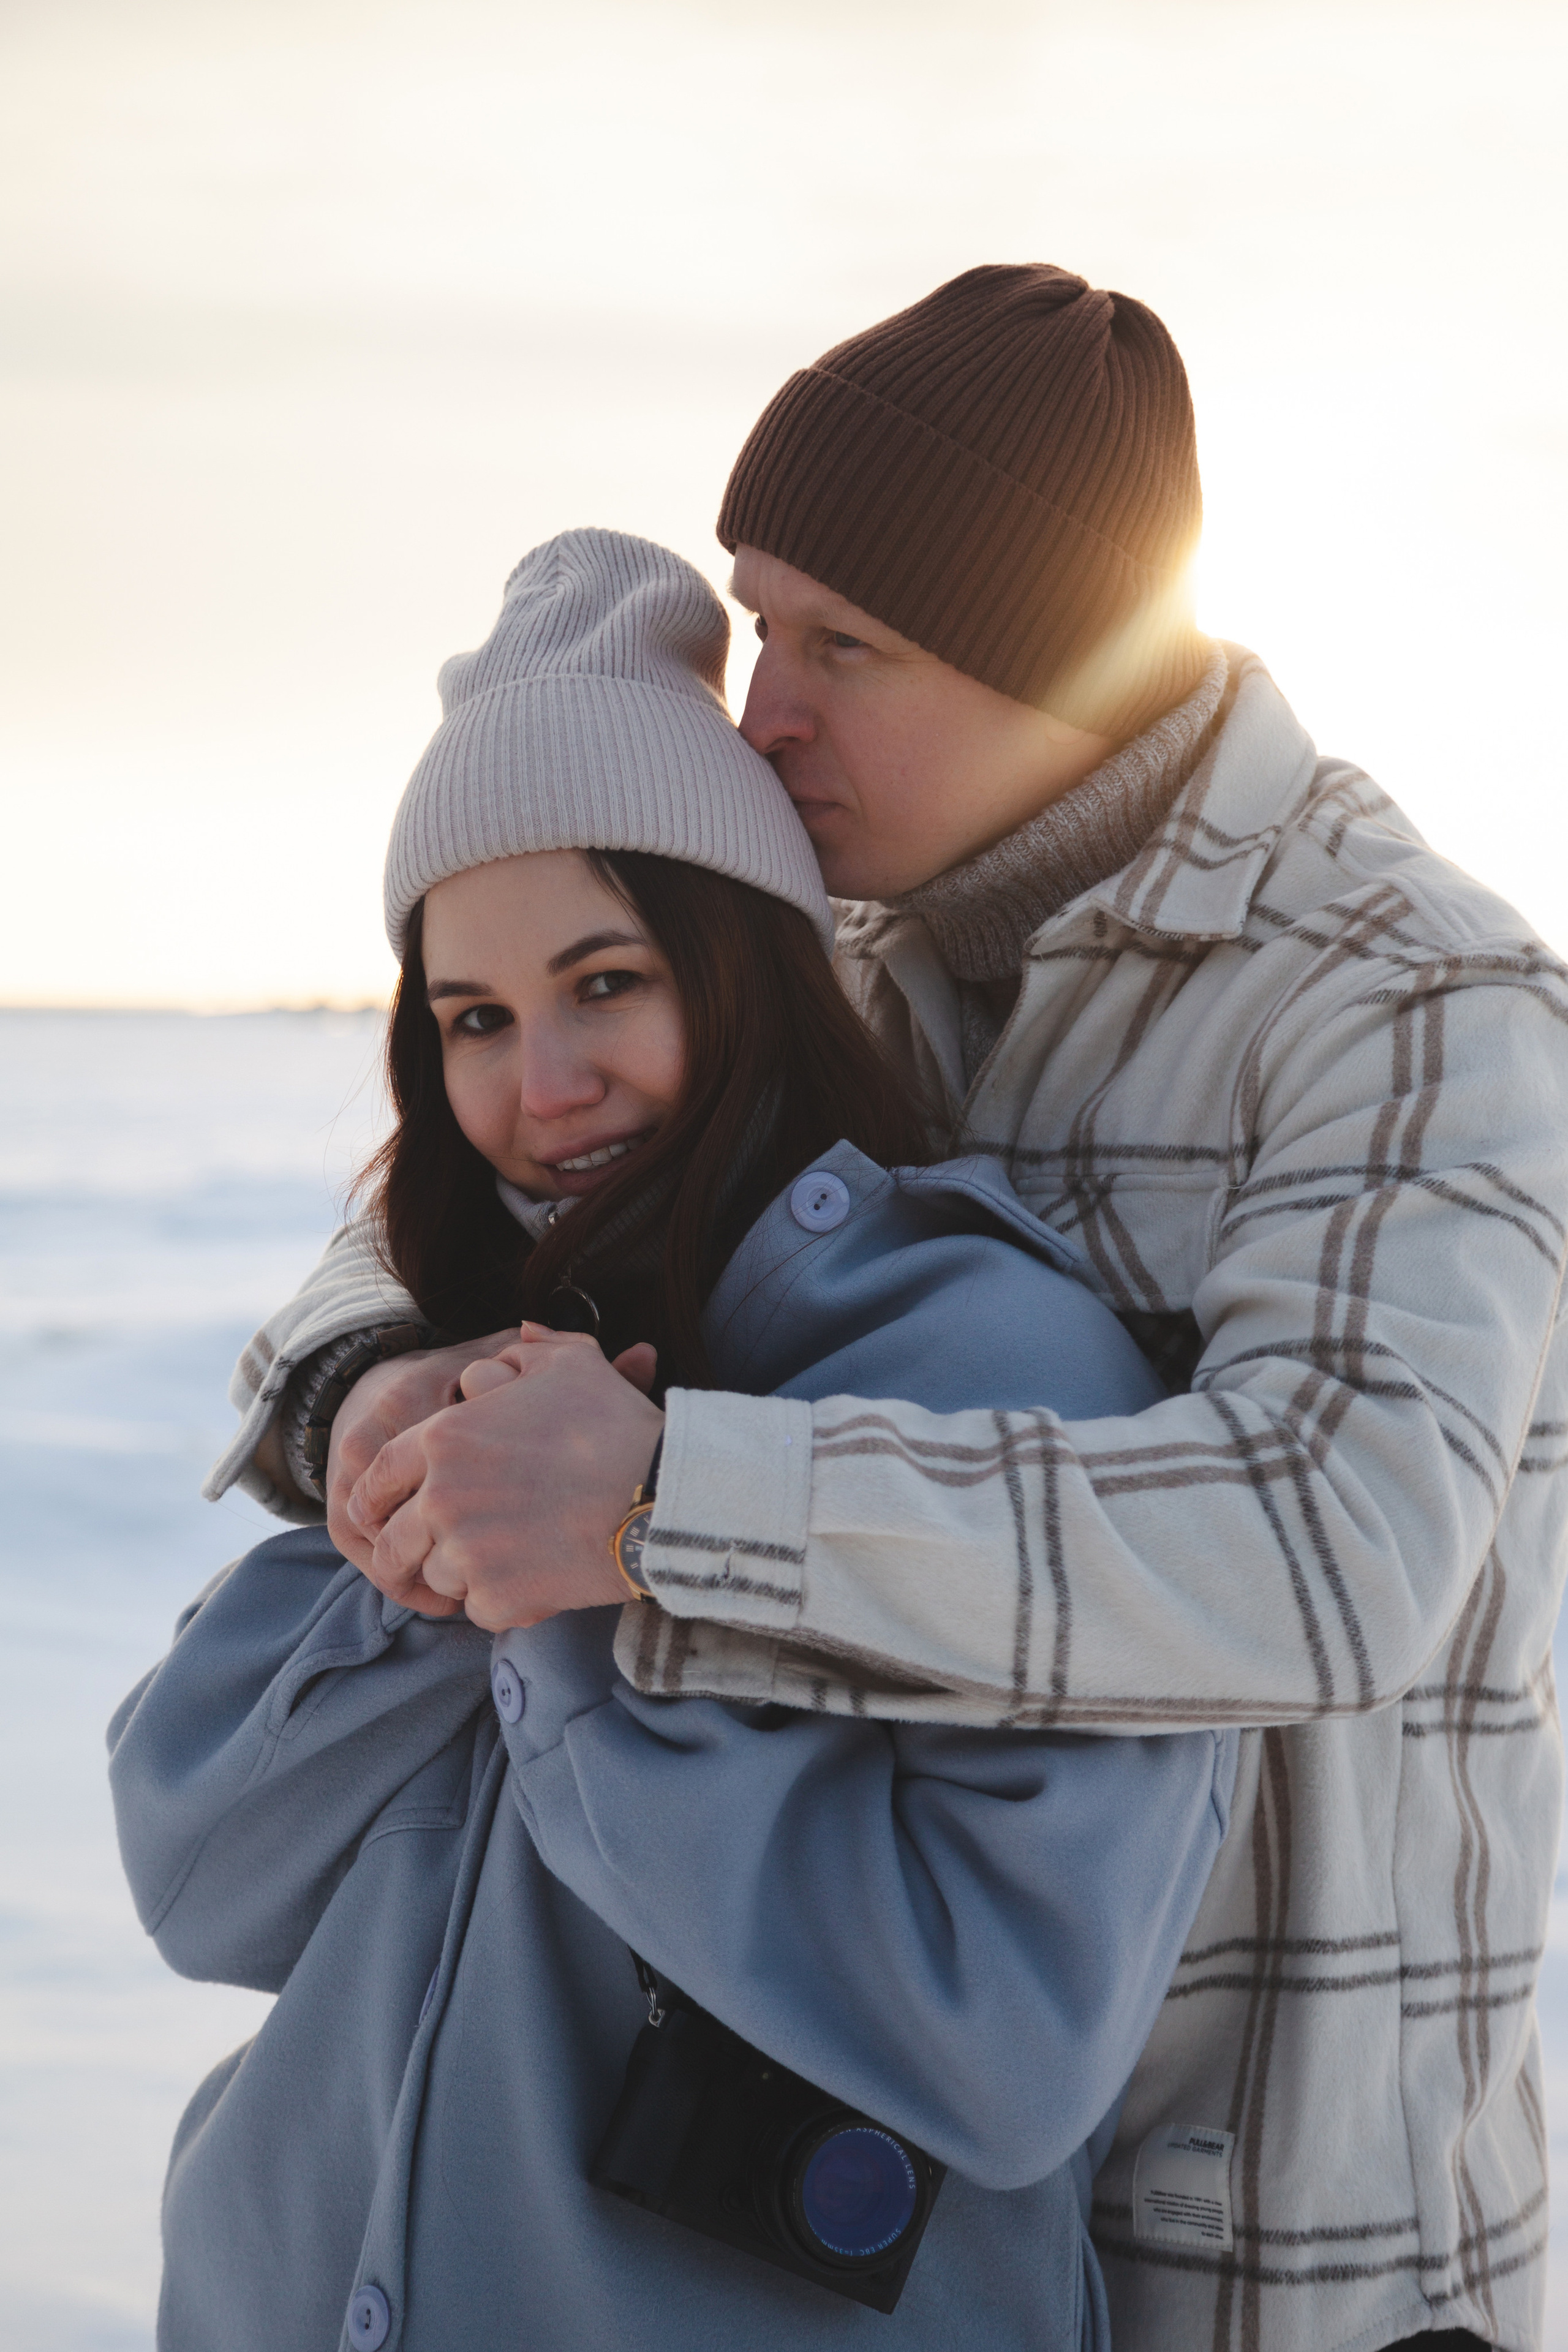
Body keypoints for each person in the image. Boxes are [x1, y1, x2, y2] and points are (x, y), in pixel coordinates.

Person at [206, 269, 1568, 2352]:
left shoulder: (1408, 1001)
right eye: (761, 621)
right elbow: (438, 1216)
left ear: (1071, 665)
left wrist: (663, 1509)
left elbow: (1332, 1548)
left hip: (1279, 2253)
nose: (766, 710)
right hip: (862, 2244)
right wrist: (384, 1383)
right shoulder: (834, 948)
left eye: (848, 645)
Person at [113, 529, 1234, 2351]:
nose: (540, 1087)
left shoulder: (994, 1362)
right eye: (475, 1017)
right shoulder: (478, 1335)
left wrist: (583, 1592)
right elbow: (195, 1873)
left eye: (606, 982)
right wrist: (429, 1500)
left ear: (745, 962)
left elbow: (1009, 2041)